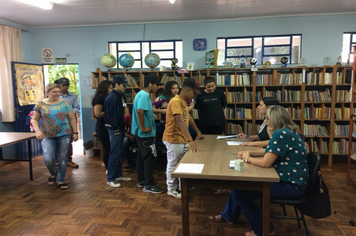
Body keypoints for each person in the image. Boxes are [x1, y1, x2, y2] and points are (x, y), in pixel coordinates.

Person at [209, 105, 309, 236]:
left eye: (267, 118)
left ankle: (263, 229)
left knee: (241, 193)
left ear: (274, 120)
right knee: (239, 186)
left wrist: (247, 159)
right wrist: (249, 152)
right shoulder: (287, 132)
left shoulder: (280, 134)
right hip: (292, 182)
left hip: (290, 186)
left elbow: (266, 163)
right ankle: (229, 216)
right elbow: (270, 152)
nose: (265, 121)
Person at [31, 83, 79, 190]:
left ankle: (60, 180)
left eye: (58, 91)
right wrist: (37, 131)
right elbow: (34, 119)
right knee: (48, 158)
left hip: (64, 133)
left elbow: (72, 118)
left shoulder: (65, 103)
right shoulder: (40, 104)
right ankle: (53, 173)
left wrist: (75, 132)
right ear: (47, 92)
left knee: (62, 158)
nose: (57, 94)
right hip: (47, 134)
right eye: (54, 92)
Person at [162, 78, 204, 199]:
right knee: (173, 164)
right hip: (173, 138)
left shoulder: (183, 101)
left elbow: (188, 117)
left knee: (183, 163)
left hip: (182, 138)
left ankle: (182, 186)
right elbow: (180, 121)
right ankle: (171, 189)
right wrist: (190, 140)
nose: (194, 96)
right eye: (194, 93)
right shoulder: (175, 101)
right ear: (187, 90)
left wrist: (198, 132)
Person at [131, 74, 164, 194]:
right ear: (150, 84)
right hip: (145, 134)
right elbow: (140, 111)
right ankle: (148, 184)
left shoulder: (140, 94)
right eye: (157, 85)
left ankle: (142, 181)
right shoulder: (144, 95)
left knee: (141, 157)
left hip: (141, 134)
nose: (157, 88)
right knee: (150, 158)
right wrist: (143, 127)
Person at [104, 75, 132, 188]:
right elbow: (111, 115)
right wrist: (116, 129)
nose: (125, 87)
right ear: (116, 85)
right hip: (114, 129)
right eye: (123, 85)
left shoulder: (118, 96)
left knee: (119, 152)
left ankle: (118, 174)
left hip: (119, 128)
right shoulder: (112, 97)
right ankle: (110, 178)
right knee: (114, 153)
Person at [55, 77, 80, 168]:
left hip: (68, 121)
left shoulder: (72, 96)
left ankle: (69, 159)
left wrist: (68, 112)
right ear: (59, 86)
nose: (65, 87)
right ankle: (56, 159)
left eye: (67, 85)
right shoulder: (55, 95)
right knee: (56, 140)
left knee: (68, 140)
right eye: (63, 85)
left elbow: (77, 108)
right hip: (56, 122)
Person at [92, 80, 113, 173]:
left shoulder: (107, 97)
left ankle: (111, 167)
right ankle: (108, 169)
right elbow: (97, 113)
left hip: (108, 126)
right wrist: (112, 113)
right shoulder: (99, 98)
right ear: (105, 88)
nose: (112, 90)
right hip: (102, 127)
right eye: (111, 88)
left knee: (110, 148)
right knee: (107, 148)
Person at [122, 104, 137, 170]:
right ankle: (130, 162)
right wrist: (129, 136)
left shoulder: (139, 116)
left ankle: (139, 163)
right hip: (130, 135)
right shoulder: (127, 117)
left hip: (139, 135)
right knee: (124, 144)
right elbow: (123, 130)